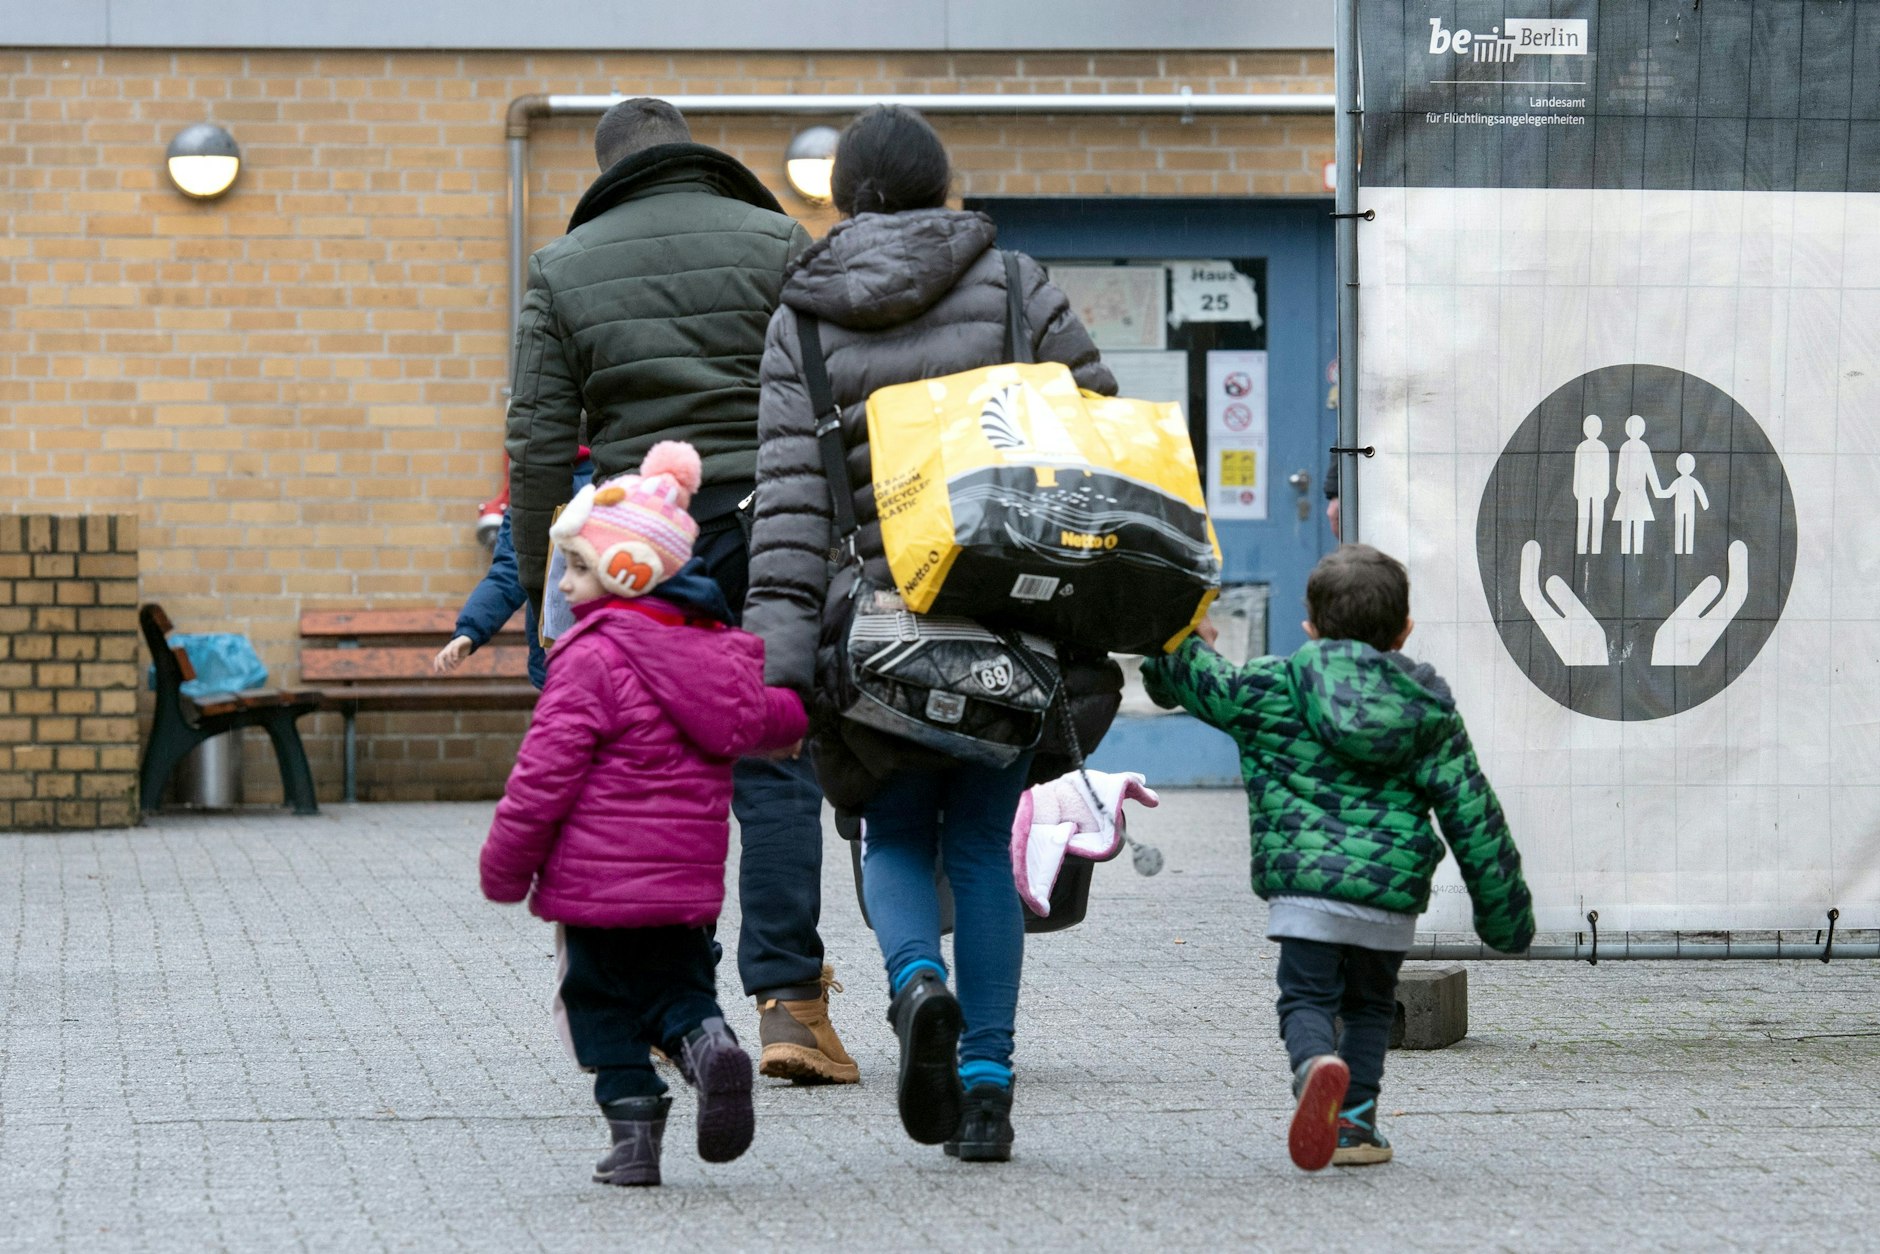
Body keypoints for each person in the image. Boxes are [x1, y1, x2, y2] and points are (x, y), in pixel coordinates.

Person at [743, 105, 1118, 1163]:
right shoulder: (1014, 284)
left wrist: (776, 667)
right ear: (942, 185)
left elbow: (786, 510)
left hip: (870, 634)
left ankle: (916, 988)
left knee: (892, 830)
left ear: (839, 196)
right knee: (982, 850)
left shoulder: (801, 321)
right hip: (1004, 620)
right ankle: (988, 1087)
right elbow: (1097, 430)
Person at [503, 98, 857, 1084]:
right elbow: (832, 397)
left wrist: (549, 578)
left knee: (645, 766)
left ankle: (677, 1005)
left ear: (607, 171)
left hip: (636, 543)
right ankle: (789, 1004)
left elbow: (535, 438)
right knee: (775, 756)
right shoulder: (775, 238)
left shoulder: (561, 267)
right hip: (772, 524)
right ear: (695, 158)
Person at [1140, 544, 1535, 1171]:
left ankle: (1313, 1066)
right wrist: (1506, 921)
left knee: (1305, 1001)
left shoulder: (1270, 686)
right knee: (1371, 1007)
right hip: (1387, 900)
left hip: (1305, 896)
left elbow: (1193, 681)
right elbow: (1474, 816)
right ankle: (1354, 1127)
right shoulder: (1426, 710)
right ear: (1404, 630)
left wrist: (1188, 636)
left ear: (1311, 626)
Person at [479, 442, 810, 1188]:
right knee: (680, 989)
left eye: (577, 569)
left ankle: (633, 1141)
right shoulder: (717, 655)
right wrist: (799, 719)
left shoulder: (587, 660)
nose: (564, 584)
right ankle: (707, 1043)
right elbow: (770, 717)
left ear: (627, 571)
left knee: (597, 1004)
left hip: (593, 891)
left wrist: (506, 864)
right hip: (683, 891)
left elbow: (543, 775)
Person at [435, 452, 592, 689]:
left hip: (582, 657)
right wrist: (470, 630)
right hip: (564, 661)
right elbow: (509, 570)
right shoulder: (533, 483)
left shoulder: (614, 480)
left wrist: (469, 630)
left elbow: (508, 571)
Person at [1612, 414, 1666, 556]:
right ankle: (1627, 553)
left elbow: (1650, 471)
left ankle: (1636, 555)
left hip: (1637, 494)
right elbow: (1621, 470)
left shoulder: (1641, 447)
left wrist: (1658, 491)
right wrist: (1621, 486)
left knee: (1636, 525)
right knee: (1627, 524)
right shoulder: (1627, 447)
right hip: (1628, 494)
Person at [1657, 452, 1708, 556]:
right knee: (1680, 526)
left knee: (1687, 526)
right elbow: (1669, 492)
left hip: (1688, 507)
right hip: (1681, 508)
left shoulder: (1689, 481)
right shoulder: (1679, 481)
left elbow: (1700, 492)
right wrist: (1659, 492)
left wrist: (1704, 503)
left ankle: (1687, 550)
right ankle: (1680, 549)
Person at [1572, 414, 1610, 556]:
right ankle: (1582, 549)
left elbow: (1605, 471)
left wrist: (1605, 491)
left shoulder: (1602, 448)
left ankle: (1596, 549)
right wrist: (1577, 490)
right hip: (1584, 491)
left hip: (1598, 491)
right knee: (1583, 518)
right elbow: (1578, 471)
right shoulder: (1581, 448)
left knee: (1597, 520)